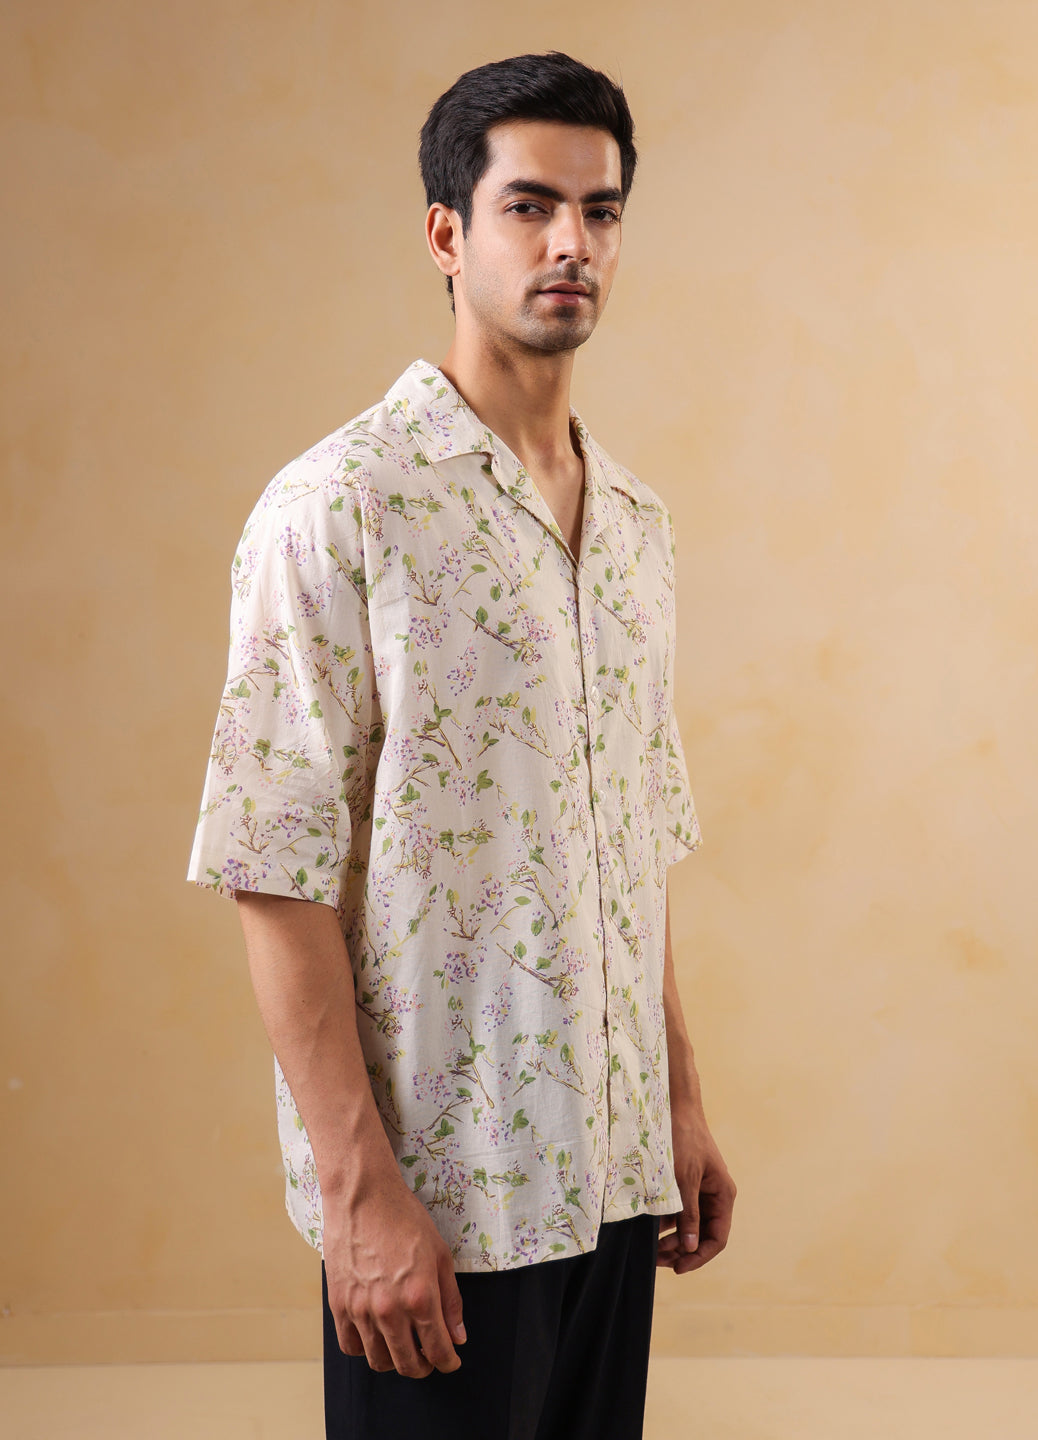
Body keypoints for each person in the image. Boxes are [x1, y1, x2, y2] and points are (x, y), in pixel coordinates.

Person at [187, 49, 736, 1440]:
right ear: (448, 234)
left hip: (612, 1181)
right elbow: (273, 866)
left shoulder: (639, 529)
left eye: (600, 211)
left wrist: (676, 1102)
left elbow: (632, 838)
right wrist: (358, 1192)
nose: (571, 244)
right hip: (441, 1199)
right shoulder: (340, 507)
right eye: (529, 206)